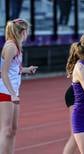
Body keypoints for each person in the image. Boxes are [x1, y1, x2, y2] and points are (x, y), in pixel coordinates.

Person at [0, 18, 38, 154]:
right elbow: (3, 72)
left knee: (13, 129)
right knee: (5, 129)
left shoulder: (16, 46)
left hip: (13, 91)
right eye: (27, 31)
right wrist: (12, 93)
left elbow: (14, 68)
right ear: (23, 32)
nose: (28, 34)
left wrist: (27, 69)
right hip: (5, 91)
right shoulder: (10, 47)